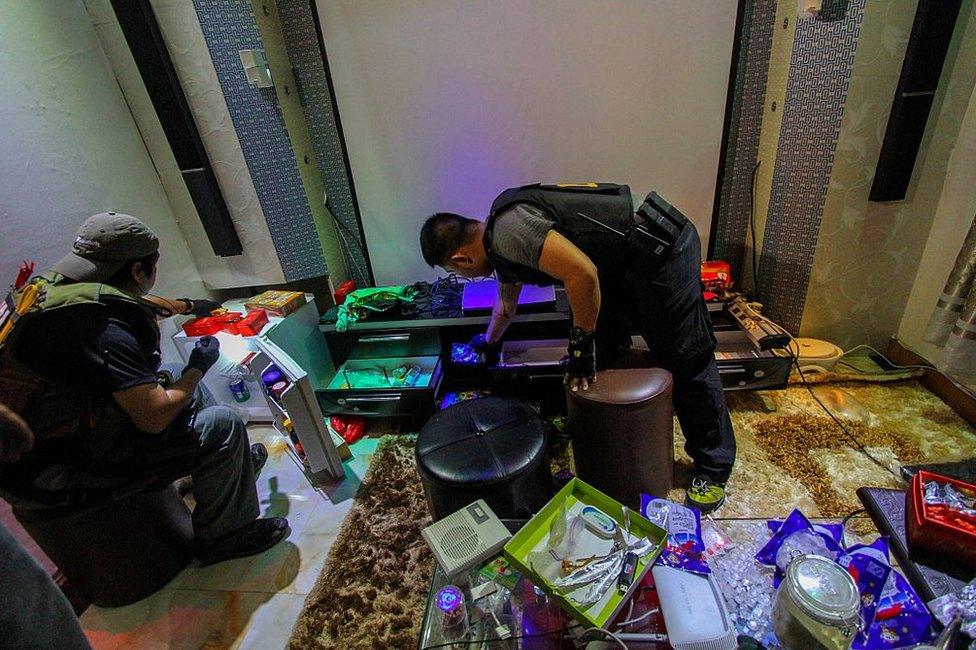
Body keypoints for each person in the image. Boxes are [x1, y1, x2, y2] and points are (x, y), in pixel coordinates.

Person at [419, 183, 735, 512]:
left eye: (456, 271)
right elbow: (505, 307)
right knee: (603, 345)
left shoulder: (509, 233)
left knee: (686, 356)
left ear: (461, 258)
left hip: (663, 246)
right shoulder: (500, 239)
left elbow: (582, 275)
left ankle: (713, 467)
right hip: (624, 258)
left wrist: (581, 345)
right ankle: (601, 431)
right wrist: (486, 342)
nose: (465, 276)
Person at [0, 212, 288, 564]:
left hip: (45, 444)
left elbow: (124, 299)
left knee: (171, 373)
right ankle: (224, 536)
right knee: (221, 424)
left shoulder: (51, 290)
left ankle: (217, 474)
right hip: (54, 475)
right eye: (151, 267)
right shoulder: (103, 331)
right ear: (138, 271)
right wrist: (199, 366)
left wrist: (192, 306)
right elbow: (153, 419)